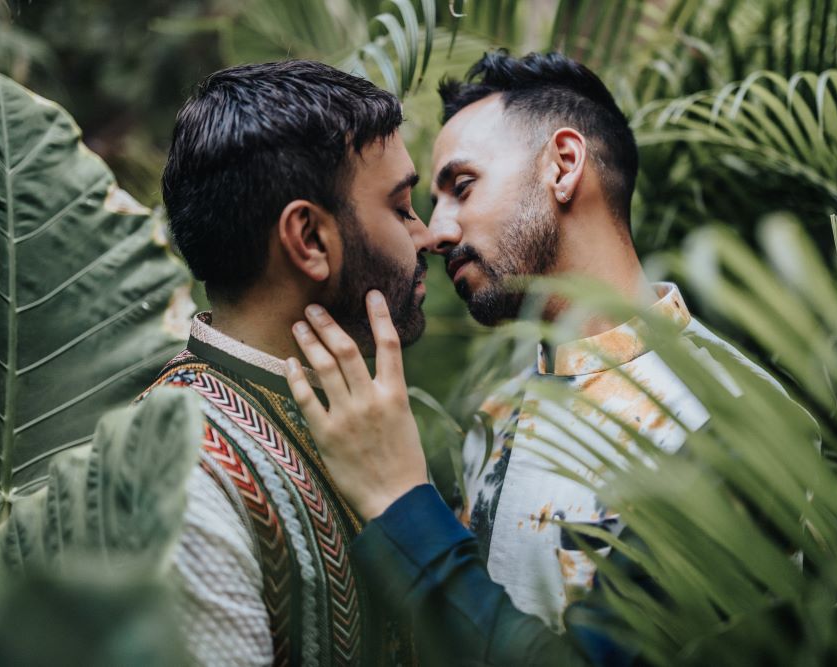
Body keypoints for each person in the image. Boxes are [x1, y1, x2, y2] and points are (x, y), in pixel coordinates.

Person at [284, 51, 787, 664]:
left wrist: (401, 500)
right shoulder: (497, 413)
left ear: (564, 165)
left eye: (462, 187)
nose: (436, 233)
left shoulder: (734, 421)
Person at [139, 60, 431, 665]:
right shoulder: (181, 478)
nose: (427, 235)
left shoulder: (354, 412)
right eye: (402, 207)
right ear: (309, 239)